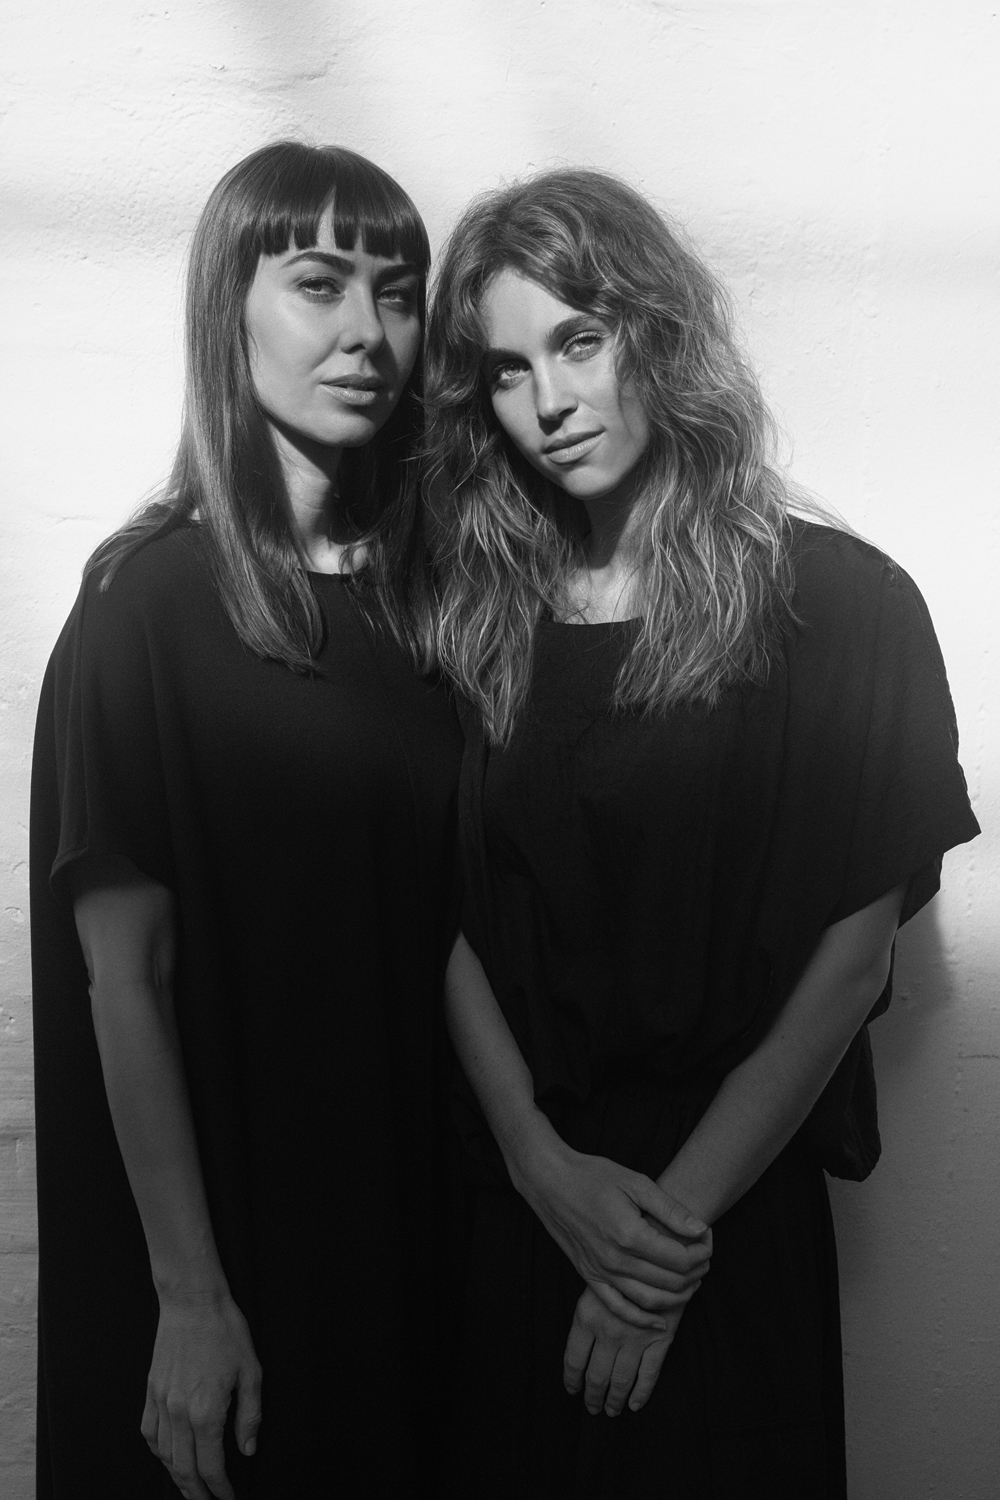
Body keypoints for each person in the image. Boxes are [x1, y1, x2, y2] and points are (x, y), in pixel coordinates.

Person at [423, 169, 980, 1497]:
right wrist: (537, 1163)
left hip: (728, 1219)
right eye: (507, 370)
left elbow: (848, 964)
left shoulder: (842, 608)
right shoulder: (464, 617)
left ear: (658, 333)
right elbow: (435, 916)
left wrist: (658, 1250)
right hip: (518, 1209)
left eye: (579, 340)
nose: (549, 402)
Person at [30, 141, 463, 1498]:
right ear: (232, 307)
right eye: (319, 283)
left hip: (410, 1230)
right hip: (222, 1258)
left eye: (397, 292)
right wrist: (191, 1296)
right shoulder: (145, 605)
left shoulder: (432, 606)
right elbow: (125, 980)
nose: (367, 331)